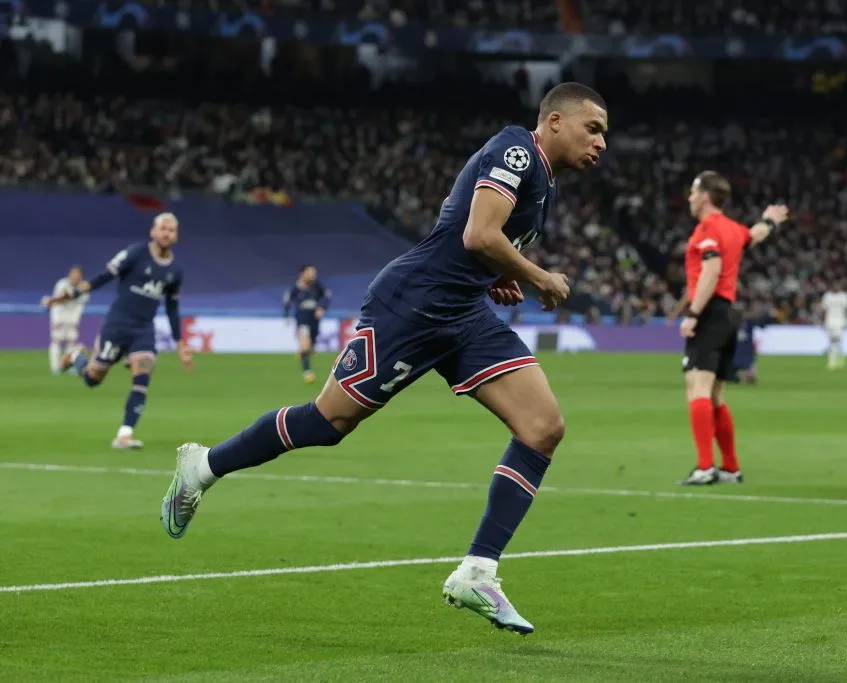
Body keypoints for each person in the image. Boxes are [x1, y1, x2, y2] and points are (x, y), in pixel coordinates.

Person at [160, 82, 609, 636]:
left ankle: (478, 571)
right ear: (556, 121)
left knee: (543, 427)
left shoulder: (546, 187)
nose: (602, 142)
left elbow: (472, 243)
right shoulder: (517, 149)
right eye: (594, 128)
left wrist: (498, 278)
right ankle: (202, 466)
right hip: (412, 306)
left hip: (462, 315)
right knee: (328, 423)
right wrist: (537, 276)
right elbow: (478, 232)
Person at [669, 171, 787, 486]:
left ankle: (706, 467)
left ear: (706, 196)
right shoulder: (734, 230)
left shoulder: (707, 229)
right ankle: (731, 468)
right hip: (729, 317)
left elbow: (712, 268)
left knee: (698, 389)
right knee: (716, 394)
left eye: (694, 192)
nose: (690, 198)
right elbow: (755, 234)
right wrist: (771, 221)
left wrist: (693, 313)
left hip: (709, 314)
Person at [45, 213, 194, 449]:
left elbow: (172, 307)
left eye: (172, 230)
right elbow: (103, 277)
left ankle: (124, 434)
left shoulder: (175, 271)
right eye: (163, 228)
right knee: (93, 379)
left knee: (142, 377)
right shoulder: (135, 253)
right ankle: (76, 358)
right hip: (116, 326)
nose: (167, 233)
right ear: (153, 232)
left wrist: (180, 343)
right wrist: (71, 295)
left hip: (143, 330)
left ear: (176, 235)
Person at [283, 265, 331, 384]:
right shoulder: (295, 289)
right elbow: (287, 302)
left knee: (310, 347)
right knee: (305, 344)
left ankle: (303, 353)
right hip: (302, 320)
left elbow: (327, 296)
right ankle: (307, 372)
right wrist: (286, 316)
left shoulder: (317, 287)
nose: (313, 275)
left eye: (314, 273)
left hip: (314, 320)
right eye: (310, 273)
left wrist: (322, 307)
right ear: (302, 274)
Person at [45, 265, 88, 375]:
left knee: (71, 341)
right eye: (73, 274)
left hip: (72, 315)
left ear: (81, 276)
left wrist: (75, 320)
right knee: (56, 340)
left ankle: (68, 365)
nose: (75, 276)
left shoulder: (85, 287)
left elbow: (78, 305)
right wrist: (56, 319)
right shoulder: (61, 284)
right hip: (59, 314)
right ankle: (55, 367)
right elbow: (59, 302)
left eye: (77, 274)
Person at [821, 282, 847, 370]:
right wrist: (823, 321)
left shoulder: (844, 296)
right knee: (833, 341)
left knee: (837, 340)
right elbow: (824, 309)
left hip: (840, 321)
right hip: (829, 321)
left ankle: (834, 362)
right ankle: (839, 360)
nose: (836, 287)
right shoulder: (827, 296)